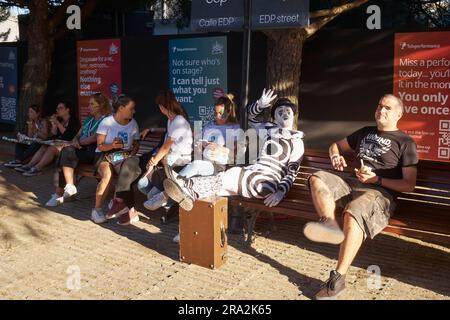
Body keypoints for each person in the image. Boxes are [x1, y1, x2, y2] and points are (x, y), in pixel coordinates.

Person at [303, 94, 418, 299]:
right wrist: (335, 155)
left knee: (353, 212)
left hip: (379, 194)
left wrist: (377, 181)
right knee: (317, 178)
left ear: (399, 114)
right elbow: (335, 145)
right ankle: (329, 224)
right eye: (379, 106)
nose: (381, 110)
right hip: (351, 185)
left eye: (388, 108)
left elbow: (408, 185)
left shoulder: (405, 143)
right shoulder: (365, 132)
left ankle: (338, 278)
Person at [162, 88, 305, 212]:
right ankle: (189, 191)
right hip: (253, 171)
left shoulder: (296, 141)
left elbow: (292, 170)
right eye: (280, 111)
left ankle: (183, 184)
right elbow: (251, 116)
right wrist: (260, 104)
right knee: (219, 186)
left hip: (267, 180)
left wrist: (280, 192)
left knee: (230, 176)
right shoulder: (269, 129)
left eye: (288, 111)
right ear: (274, 117)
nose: (285, 114)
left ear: (293, 114)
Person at [45, 93, 111, 207]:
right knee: (64, 153)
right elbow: (79, 134)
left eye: (92, 104)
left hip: (95, 152)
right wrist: (75, 140)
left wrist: (77, 143)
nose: (88, 106)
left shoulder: (105, 120)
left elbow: (94, 138)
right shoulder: (89, 119)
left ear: (100, 106)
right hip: (82, 149)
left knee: (65, 155)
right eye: (89, 104)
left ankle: (59, 193)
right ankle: (69, 187)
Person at [137, 90, 193, 212]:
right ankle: (168, 199)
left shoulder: (179, 120)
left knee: (149, 193)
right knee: (142, 185)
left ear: (162, 107)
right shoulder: (170, 120)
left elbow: (166, 146)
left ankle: (169, 201)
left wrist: (153, 162)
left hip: (179, 162)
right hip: (168, 161)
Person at [91, 94, 141, 226]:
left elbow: (136, 143)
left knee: (127, 171)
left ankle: (124, 206)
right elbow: (100, 146)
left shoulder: (133, 123)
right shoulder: (107, 122)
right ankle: (96, 210)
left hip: (123, 155)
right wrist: (112, 145)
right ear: (121, 108)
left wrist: (131, 154)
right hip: (104, 154)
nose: (134, 111)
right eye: (131, 108)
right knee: (107, 175)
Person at [17, 101, 80, 176]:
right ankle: (29, 165)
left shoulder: (74, 121)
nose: (57, 110)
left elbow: (69, 136)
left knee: (52, 148)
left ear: (67, 110)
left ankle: (37, 168)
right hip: (60, 144)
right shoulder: (60, 120)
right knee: (44, 146)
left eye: (60, 108)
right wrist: (54, 126)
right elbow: (54, 135)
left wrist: (57, 123)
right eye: (57, 108)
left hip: (70, 148)